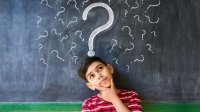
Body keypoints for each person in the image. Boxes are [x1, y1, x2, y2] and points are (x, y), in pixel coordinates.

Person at [78, 56, 143, 112]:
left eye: (100, 68)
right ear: (90, 86)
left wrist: (115, 100)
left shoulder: (131, 96)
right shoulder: (89, 104)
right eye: (92, 76)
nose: (99, 75)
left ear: (110, 69)